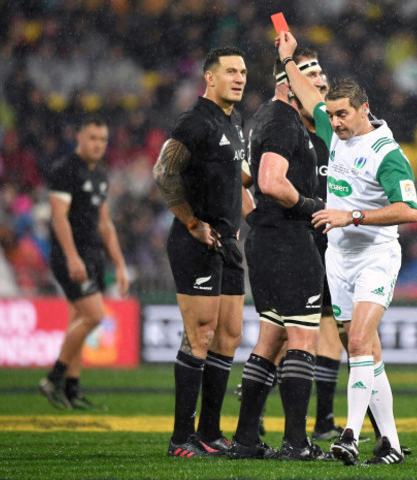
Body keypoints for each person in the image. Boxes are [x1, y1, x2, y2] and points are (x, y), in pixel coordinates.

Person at [277, 31, 417, 466]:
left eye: (343, 115)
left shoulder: (387, 153)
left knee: (356, 341)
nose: (334, 123)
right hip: (338, 258)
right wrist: (287, 61)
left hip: (376, 256)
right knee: (367, 352)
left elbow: (410, 210)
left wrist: (351, 216)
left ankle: (351, 436)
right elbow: (306, 95)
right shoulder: (334, 129)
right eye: (332, 115)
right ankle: (391, 443)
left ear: (364, 110)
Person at [226, 51, 330, 461]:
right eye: (310, 74)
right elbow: (269, 181)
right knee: (303, 336)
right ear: (287, 80)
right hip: (289, 240)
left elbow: (243, 178)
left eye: (321, 75)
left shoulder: (268, 118)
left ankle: (246, 439)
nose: (319, 83)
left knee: (271, 338)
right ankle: (297, 443)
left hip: (270, 238)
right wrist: (310, 207)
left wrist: (257, 219)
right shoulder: (284, 120)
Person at [152, 46, 248, 458]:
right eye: (230, 71)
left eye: (243, 71)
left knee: (228, 335)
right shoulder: (195, 121)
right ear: (209, 77)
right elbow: (163, 170)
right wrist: (192, 222)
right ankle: (180, 438)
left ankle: (209, 432)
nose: (239, 78)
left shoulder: (234, 120)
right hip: (197, 242)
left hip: (229, 243)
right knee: (201, 335)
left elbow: (234, 176)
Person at [39, 114, 129, 410]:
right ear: (78, 137)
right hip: (71, 256)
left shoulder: (100, 175)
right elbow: (58, 217)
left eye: (103, 139)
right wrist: (72, 256)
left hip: (93, 256)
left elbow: (105, 225)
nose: (98, 144)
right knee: (93, 315)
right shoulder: (65, 170)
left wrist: (119, 264)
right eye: (92, 137)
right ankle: (54, 378)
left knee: (78, 319)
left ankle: (71, 390)